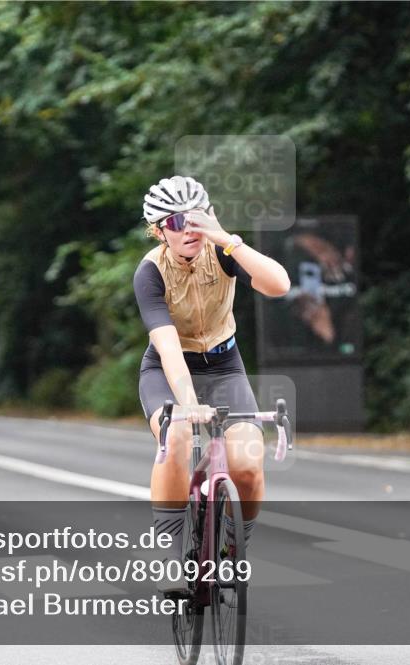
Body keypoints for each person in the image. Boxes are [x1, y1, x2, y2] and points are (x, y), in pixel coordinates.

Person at [134, 176, 290, 592]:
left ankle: (233, 549)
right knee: (177, 437)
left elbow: (279, 284)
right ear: (159, 231)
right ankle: (169, 554)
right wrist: (187, 403)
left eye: (196, 218)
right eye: (176, 222)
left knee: (248, 465)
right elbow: (168, 348)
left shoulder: (223, 253)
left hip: (224, 367)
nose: (188, 229)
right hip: (168, 370)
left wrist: (227, 239)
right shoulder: (150, 272)